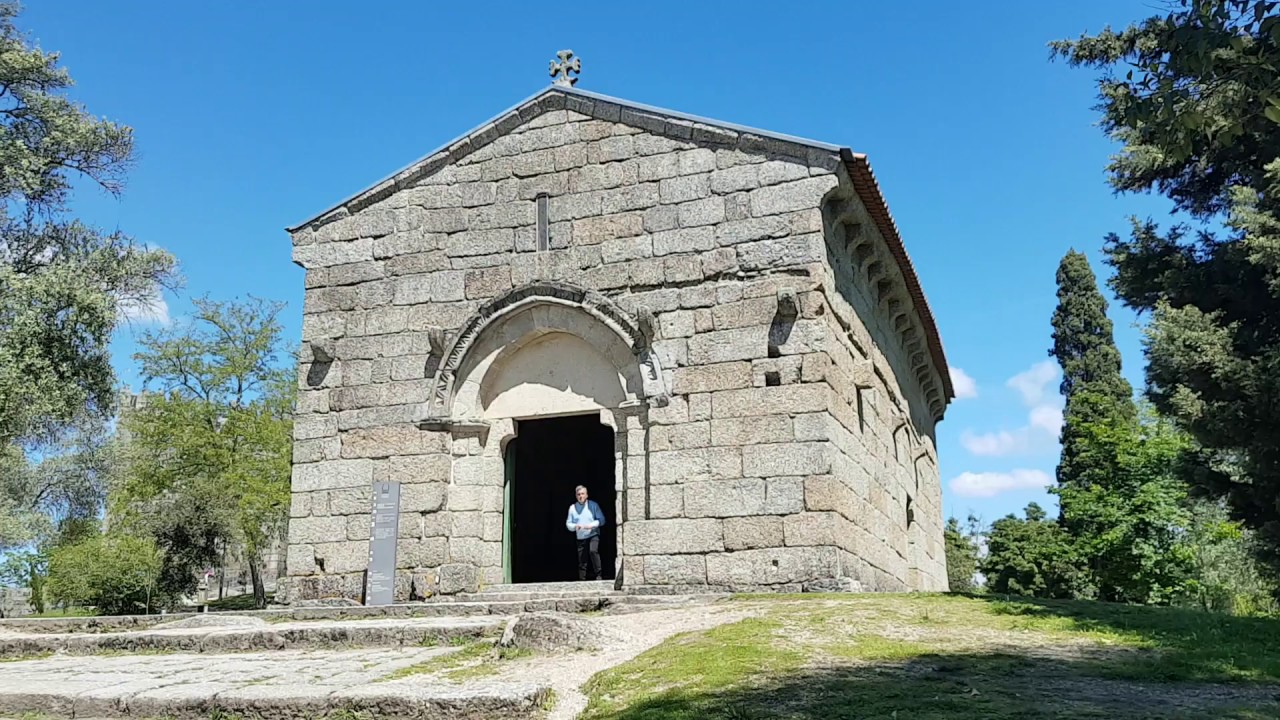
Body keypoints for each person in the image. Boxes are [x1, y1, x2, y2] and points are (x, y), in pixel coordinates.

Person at [565, 485, 606, 581]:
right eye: (578, 494)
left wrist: (591, 525)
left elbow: (602, 520)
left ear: (587, 495)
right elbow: (568, 523)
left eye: (583, 494)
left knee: (593, 551)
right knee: (582, 559)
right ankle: (582, 579)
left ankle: (599, 574)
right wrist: (575, 527)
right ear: (576, 496)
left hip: (593, 534)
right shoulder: (572, 508)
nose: (581, 496)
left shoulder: (593, 505)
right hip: (581, 536)